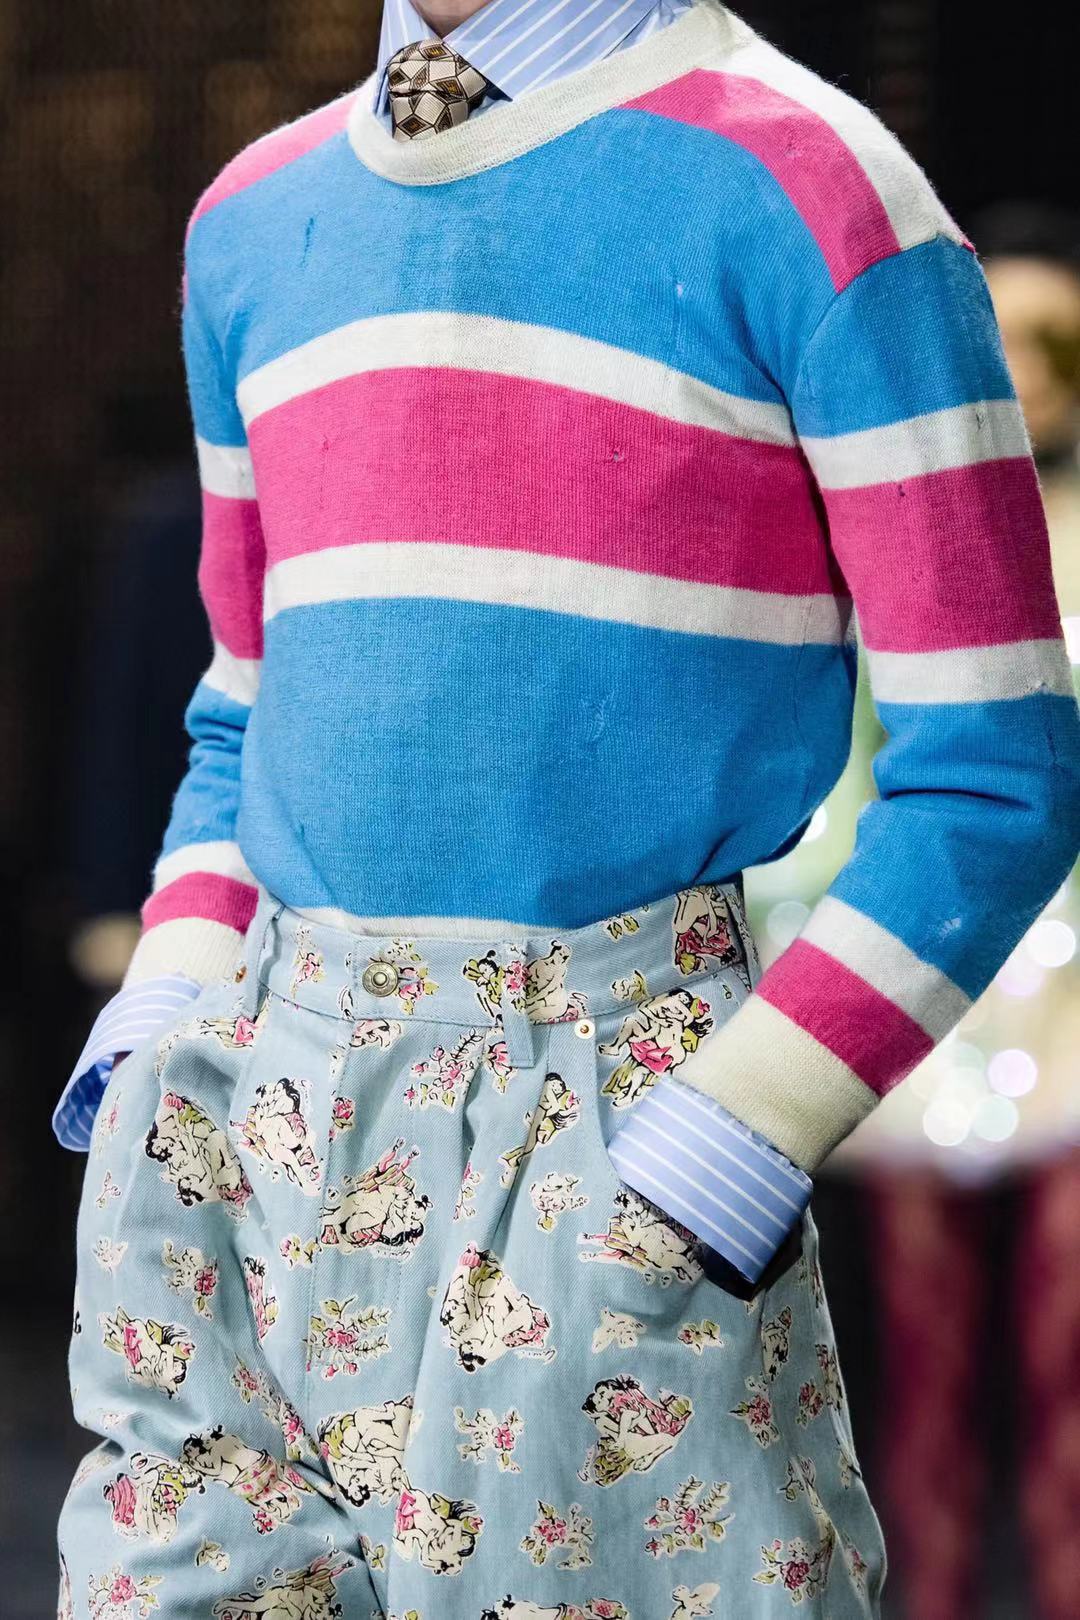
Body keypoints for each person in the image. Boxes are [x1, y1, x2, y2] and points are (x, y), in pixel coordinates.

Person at [52, 4, 1080, 1616]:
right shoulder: (253, 216)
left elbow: (1000, 762)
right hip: (236, 1122)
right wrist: (155, 1047)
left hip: (610, 1113)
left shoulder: (815, 187)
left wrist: (717, 1148)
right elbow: (248, 701)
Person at [814, 200, 1080, 1620]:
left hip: (1073, 1008)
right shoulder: (894, 542)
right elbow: (839, 779)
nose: (1022, 372)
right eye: (999, 341)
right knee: (915, 1372)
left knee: (1067, 1361)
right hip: (931, 986)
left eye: (1051, 343)